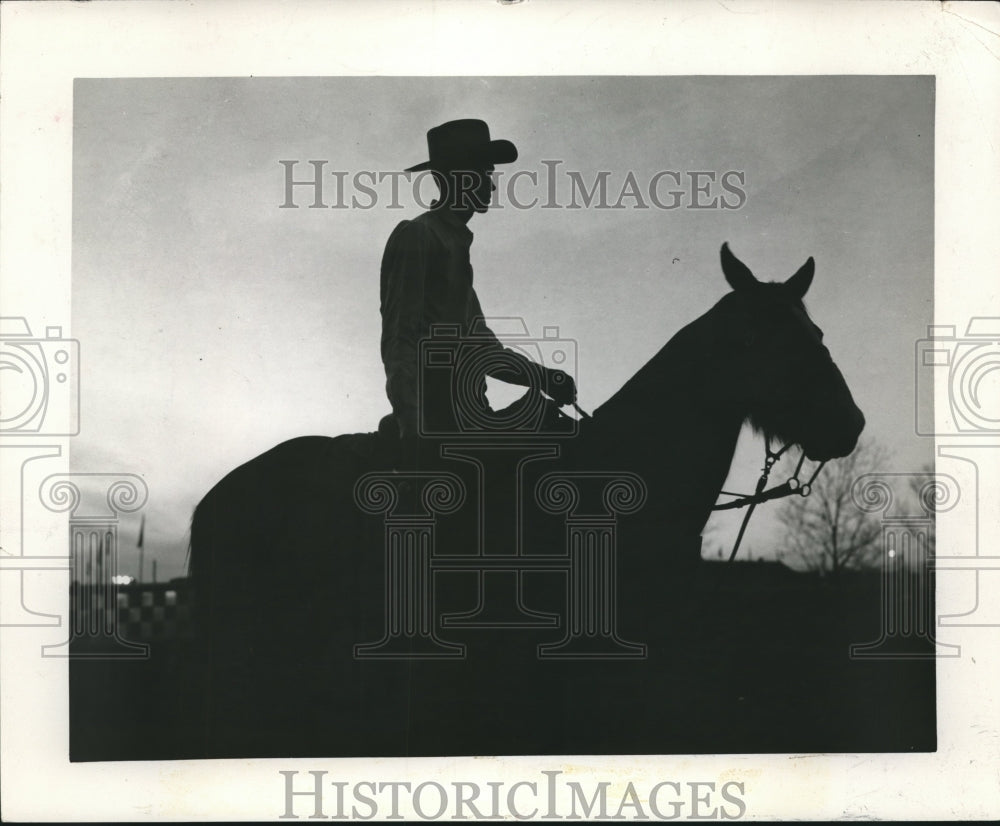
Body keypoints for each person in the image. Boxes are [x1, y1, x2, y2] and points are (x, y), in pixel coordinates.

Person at [379, 119, 576, 463]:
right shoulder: (419, 236)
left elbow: (483, 350)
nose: (491, 185)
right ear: (458, 176)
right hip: (437, 418)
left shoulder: (456, 247)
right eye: (484, 173)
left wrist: (543, 377)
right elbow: (400, 338)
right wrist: (411, 422)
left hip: (466, 412)